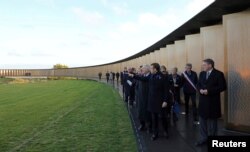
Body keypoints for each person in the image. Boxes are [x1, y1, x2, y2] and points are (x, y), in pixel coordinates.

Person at [130, 63, 170, 141]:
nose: (150, 69)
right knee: (154, 118)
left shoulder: (163, 77)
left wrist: (165, 101)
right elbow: (143, 79)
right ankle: (155, 133)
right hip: (152, 101)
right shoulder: (151, 76)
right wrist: (134, 75)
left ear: (155, 69)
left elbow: (166, 90)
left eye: (151, 68)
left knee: (162, 117)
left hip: (161, 101)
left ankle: (165, 131)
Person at [195, 59, 226, 146]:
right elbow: (198, 84)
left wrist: (209, 91)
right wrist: (200, 89)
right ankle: (203, 138)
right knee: (202, 121)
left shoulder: (219, 74)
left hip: (213, 102)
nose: (202, 66)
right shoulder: (202, 73)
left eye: (204, 65)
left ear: (210, 65)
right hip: (203, 102)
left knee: (213, 122)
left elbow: (223, 87)